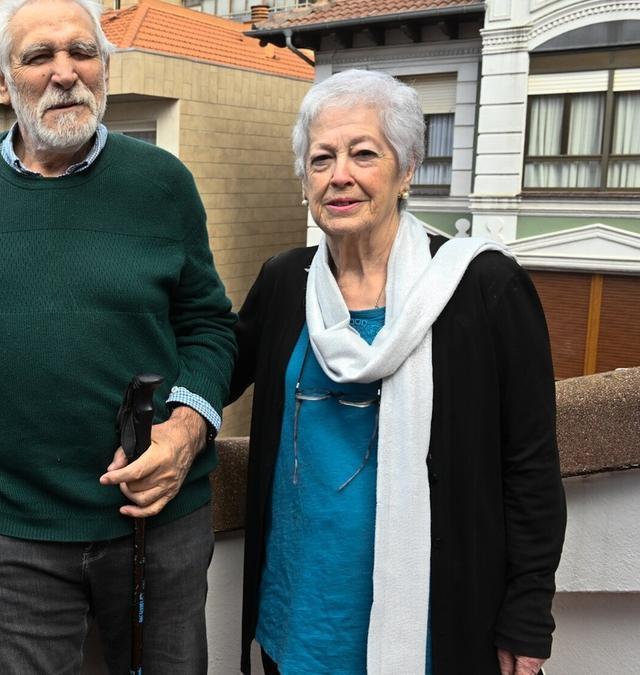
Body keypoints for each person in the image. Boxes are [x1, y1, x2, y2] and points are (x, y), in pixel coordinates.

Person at [0, 0, 236, 671]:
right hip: (9, 540)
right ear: (3, 82)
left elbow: (209, 325)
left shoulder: (163, 183)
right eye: (39, 57)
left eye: (82, 52)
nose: (66, 72)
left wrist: (185, 432)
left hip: (160, 523)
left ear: (105, 69)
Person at [230, 69, 566, 675]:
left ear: (406, 169)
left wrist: (528, 613)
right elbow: (214, 366)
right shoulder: (286, 281)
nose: (340, 176)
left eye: (364, 154)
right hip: (300, 613)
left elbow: (531, 466)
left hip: (437, 621)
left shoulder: (482, 287)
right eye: (321, 158)